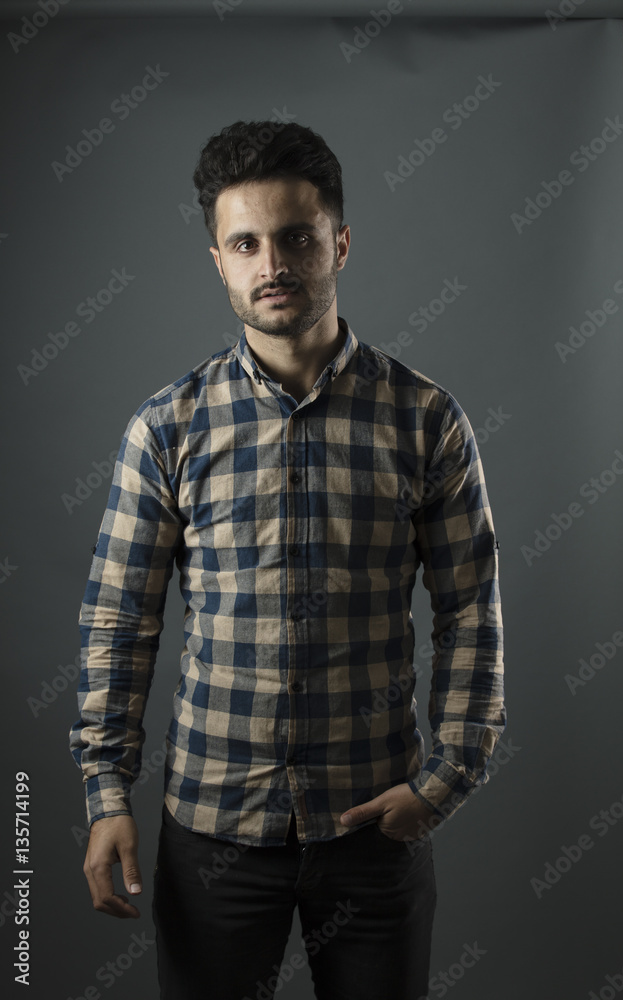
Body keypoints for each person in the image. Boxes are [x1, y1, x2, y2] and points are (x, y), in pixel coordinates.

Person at [69, 119, 505, 1000]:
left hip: (375, 827)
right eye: (246, 243)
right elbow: (120, 620)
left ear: (338, 243)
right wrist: (105, 794)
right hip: (211, 835)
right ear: (219, 261)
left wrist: (445, 778)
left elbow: (470, 611)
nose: (273, 263)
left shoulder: (425, 420)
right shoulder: (166, 430)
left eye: (296, 238)